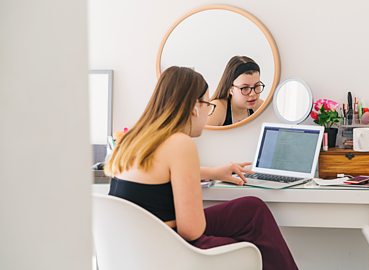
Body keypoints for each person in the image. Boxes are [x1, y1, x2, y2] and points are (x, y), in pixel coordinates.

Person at [104, 66, 298, 270]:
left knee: (251, 209)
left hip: (135, 247)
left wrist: (213, 173)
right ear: (195, 107)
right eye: (207, 104)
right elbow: (192, 231)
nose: (208, 111)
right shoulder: (180, 143)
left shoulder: (134, 139)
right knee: (243, 248)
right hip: (168, 248)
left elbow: (156, 175)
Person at [207, 56, 265, 126]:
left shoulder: (260, 107)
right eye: (245, 88)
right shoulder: (217, 109)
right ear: (231, 89)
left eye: (257, 86)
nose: (253, 94)